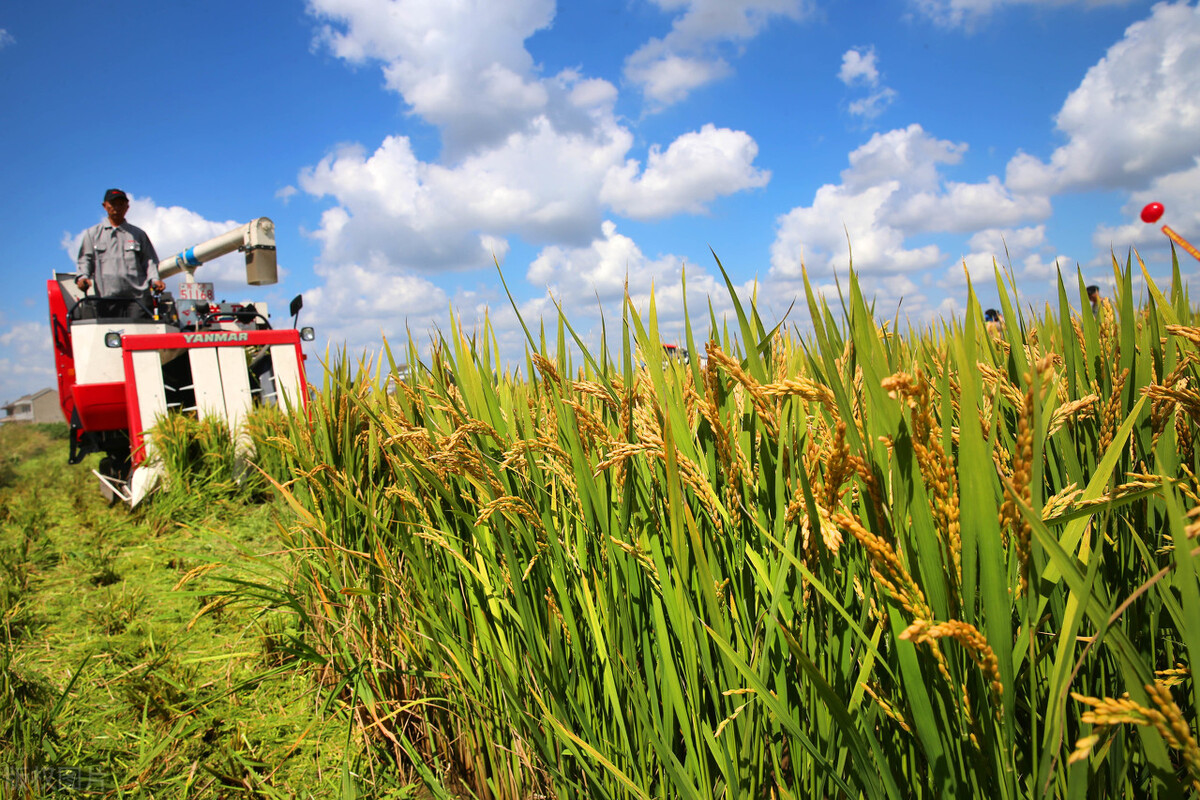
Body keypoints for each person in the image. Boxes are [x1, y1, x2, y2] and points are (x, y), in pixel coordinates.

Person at [75, 189, 165, 319]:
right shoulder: (93, 234)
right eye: (113, 203)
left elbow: (149, 261)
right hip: (106, 299)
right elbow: (85, 259)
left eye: (121, 204)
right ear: (105, 206)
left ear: (127, 207)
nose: (117, 207)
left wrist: (155, 280)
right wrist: (83, 277)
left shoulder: (138, 234)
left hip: (137, 300)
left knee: (139, 336)